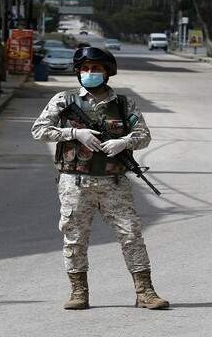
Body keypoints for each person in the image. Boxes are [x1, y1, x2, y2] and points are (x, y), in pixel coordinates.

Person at [31, 46, 168, 310]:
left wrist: (124, 142)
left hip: (113, 182)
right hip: (75, 182)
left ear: (107, 72)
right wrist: (73, 133)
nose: (89, 72)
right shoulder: (64, 100)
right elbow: (39, 130)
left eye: (95, 68)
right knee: (75, 237)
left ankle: (145, 292)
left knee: (131, 235)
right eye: (85, 69)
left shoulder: (124, 104)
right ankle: (78, 292)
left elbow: (144, 135)